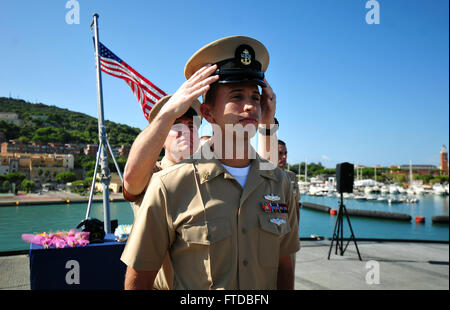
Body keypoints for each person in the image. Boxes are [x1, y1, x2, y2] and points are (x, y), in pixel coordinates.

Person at [121, 35, 299, 290]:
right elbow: (139, 278)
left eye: (255, 98)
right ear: (207, 112)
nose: (249, 106)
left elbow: (284, 266)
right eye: (236, 96)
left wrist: (268, 126)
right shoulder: (169, 184)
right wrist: (169, 111)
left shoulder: (279, 183)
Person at [122, 94, 202, 290]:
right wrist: (165, 117)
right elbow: (131, 179)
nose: (186, 131)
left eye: (192, 127)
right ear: (161, 138)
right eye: (176, 126)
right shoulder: (151, 175)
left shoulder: (209, 176)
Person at [278, 139, 301, 272]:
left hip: (288, 237)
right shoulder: (260, 175)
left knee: (287, 274)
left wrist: (295, 234)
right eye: (280, 153)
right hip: (268, 237)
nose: (284, 157)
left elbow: (296, 207)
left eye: (286, 153)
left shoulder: (291, 177)